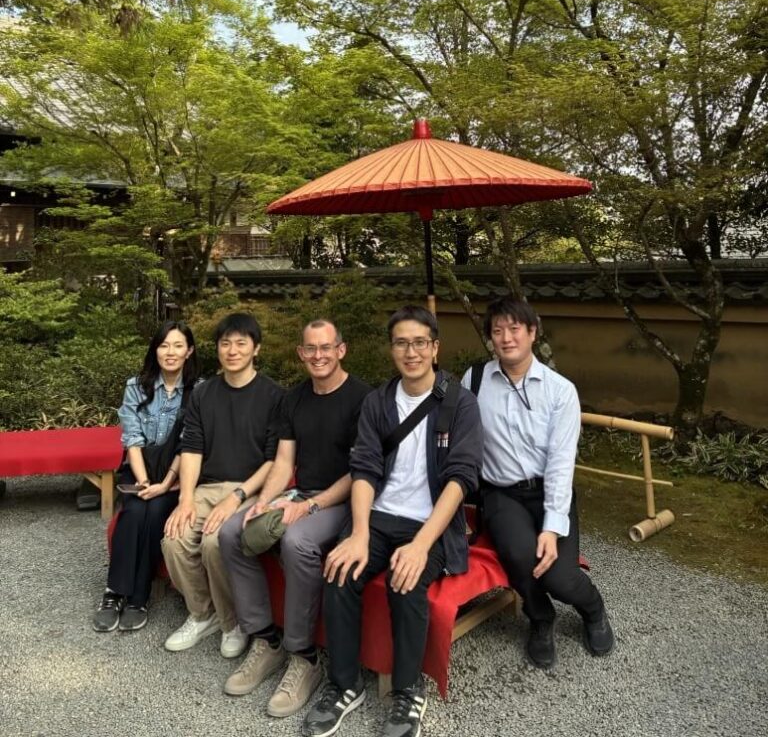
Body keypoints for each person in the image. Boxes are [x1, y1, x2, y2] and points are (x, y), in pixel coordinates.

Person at [302, 306, 482, 737]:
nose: (411, 351)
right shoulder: (378, 401)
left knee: (407, 580)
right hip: (380, 516)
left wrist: (421, 545)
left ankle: (408, 691)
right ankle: (344, 685)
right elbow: (364, 469)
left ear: (435, 347)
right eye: (401, 342)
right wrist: (359, 533)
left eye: (420, 342)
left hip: (431, 522)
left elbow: (461, 479)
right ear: (391, 349)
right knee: (340, 571)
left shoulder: (459, 402)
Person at [218, 319, 371, 718]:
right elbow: (284, 460)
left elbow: (359, 471)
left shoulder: (362, 399)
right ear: (301, 353)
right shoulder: (294, 399)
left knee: (297, 540)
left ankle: (303, 655)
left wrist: (310, 505)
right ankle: (266, 639)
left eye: (326, 347)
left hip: (342, 499)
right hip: (298, 492)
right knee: (233, 530)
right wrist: (264, 502)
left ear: (341, 349)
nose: (318, 356)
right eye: (310, 349)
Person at [462, 296, 614, 669]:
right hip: (501, 494)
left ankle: (593, 609)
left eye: (515, 328)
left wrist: (551, 526)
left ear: (533, 331)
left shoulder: (560, 390)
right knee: (520, 557)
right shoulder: (475, 379)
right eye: (497, 331)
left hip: (548, 490)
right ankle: (540, 618)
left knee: (560, 576)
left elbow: (562, 464)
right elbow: (458, 433)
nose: (506, 338)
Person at [162, 312, 284, 658]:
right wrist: (185, 499)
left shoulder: (275, 396)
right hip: (206, 487)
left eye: (241, 343)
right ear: (217, 349)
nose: (232, 350)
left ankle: (233, 622)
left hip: (252, 489)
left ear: (256, 349)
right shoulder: (203, 394)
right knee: (174, 537)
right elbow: (191, 448)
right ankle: (203, 614)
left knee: (217, 541)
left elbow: (274, 461)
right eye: (225, 343)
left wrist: (238, 496)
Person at [92, 320, 199, 633]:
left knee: (155, 513)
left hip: (177, 474)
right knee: (134, 510)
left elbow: (190, 443)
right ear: (155, 349)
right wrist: (142, 482)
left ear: (189, 350)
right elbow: (133, 440)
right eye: (164, 345)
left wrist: (166, 484)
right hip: (140, 470)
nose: (171, 352)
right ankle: (115, 593)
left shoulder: (199, 390)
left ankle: (138, 596)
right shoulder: (135, 386)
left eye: (178, 345)